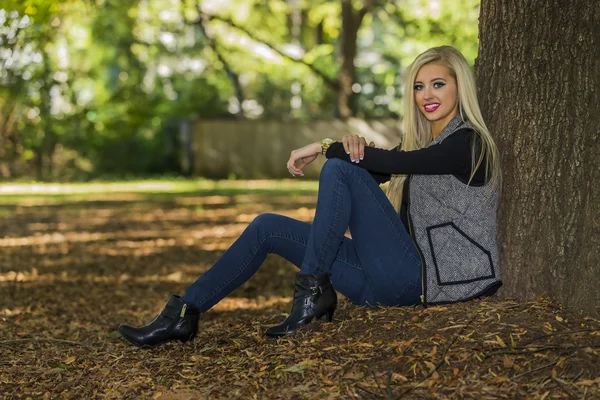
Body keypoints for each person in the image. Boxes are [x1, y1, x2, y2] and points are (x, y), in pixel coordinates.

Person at [118, 45, 502, 347]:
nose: (426, 95)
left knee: (339, 168)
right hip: (381, 284)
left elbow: (373, 162)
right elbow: (379, 165)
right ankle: (184, 313)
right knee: (267, 226)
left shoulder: (467, 144)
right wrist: (343, 149)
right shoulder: (424, 144)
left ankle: (313, 291)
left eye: (438, 84)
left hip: (422, 283)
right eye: (419, 86)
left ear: (459, 87)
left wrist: (323, 148)